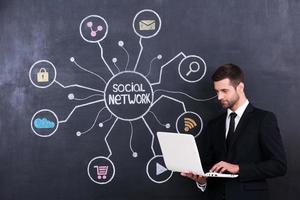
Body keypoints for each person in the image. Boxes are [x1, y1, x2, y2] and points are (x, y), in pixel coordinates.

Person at [181, 64, 287, 200]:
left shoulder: (263, 119)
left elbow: (279, 165)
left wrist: (238, 168)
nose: (219, 97)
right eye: (217, 91)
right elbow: (208, 166)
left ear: (240, 87)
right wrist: (202, 181)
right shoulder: (214, 124)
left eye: (224, 91)